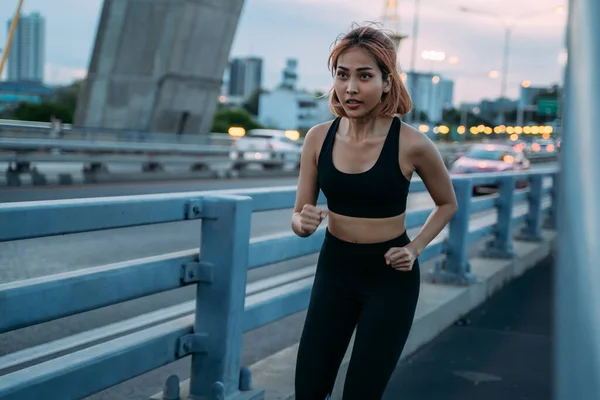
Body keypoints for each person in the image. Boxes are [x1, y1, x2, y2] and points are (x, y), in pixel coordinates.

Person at [291, 23, 458, 400]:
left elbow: (448, 203)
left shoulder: (413, 144)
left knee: (362, 394)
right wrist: (302, 221)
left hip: (389, 280)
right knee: (309, 389)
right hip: (334, 271)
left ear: (386, 82)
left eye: (364, 76)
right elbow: (299, 215)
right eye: (342, 75)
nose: (351, 88)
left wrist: (414, 249)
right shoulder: (318, 137)